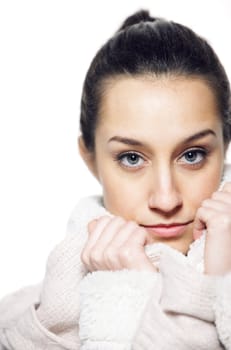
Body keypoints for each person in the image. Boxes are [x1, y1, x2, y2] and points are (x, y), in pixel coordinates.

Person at [0, 8, 231, 350]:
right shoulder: (30, 323)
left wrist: (220, 280)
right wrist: (140, 286)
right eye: (132, 158)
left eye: (192, 155)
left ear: (225, 146)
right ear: (90, 158)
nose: (166, 200)